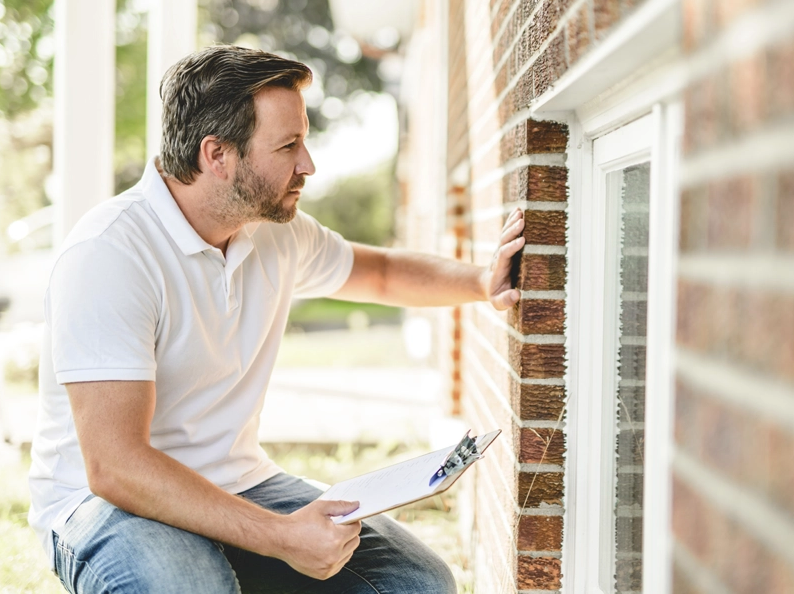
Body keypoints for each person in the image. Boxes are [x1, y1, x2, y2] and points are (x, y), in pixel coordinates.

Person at [28, 45, 526, 594]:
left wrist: (484, 282)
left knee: (417, 582)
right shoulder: (110, 255)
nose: (308, 164)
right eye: (289, 145)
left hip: (241, 483)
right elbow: (117, 467)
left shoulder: (275, 233)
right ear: (217, 154)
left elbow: (381, 273)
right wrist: (281, 537)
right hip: (107, 504)